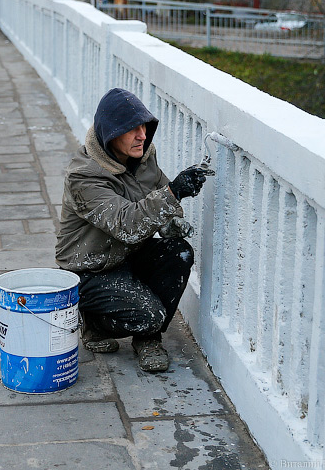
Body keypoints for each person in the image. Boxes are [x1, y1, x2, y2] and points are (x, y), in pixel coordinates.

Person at [55, 88, 213, 373]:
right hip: (91, 270)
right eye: (132, 129)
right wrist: (175, 191)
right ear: (110, 133)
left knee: (178, 252)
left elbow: (158, 197)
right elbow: (126, 224)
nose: (142, 135)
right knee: (149, 314)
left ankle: (148, 339)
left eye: (144, 126)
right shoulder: (84, 176)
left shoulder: (142, 157)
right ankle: (93, 322)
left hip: (126, 256)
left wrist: (171, 220)